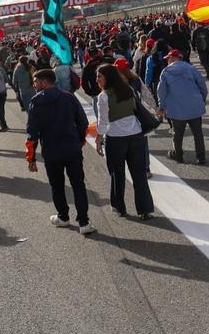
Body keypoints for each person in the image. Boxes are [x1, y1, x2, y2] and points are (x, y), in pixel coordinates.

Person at [26, 69, 94, 235]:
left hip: (51, 151)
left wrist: (31, 158)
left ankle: (63, 217)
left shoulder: (35, 102)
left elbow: (32, 132)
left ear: (43, 82)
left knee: (57, 186)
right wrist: (79, 141)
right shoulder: (68, 97)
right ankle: (84, 222)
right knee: (78, 185)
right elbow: (83, 122)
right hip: (72, 148)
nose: (34, 85)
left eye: (35, 82)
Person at [96, 64, 153, 220]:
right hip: (136, 135)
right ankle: (145, 209)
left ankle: (119, 207)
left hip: (115, 137)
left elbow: (102, 121)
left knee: (117, 173)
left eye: (99, 76)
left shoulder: (103, 96)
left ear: (108, 78)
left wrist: (99, 139)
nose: (97, 80)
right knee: (139, 174)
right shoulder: (128, 89)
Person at [156, 49, 208, 165]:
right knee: (197, 133)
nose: (168, 61)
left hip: (176, 107)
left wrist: (161, 106)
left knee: (177, 133)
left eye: (168, 58)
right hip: (194, 105)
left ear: (173, 58)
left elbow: (161, 91)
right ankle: (201, 157)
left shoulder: (166, 72)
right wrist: (202, 99)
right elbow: (202, 85)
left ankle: (178, 154)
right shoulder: (191, 68)